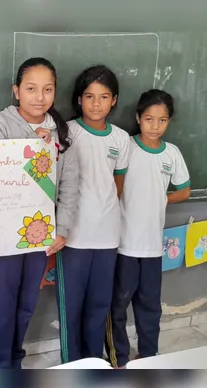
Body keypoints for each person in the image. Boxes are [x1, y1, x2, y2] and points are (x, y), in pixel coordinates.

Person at [0, 57, 79, 369]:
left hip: (39, 232)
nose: (40, 97)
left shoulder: (60, 131)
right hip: (3, 235)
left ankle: (15, 361)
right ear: (16, 91)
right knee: (3, 306)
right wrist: (33, 147)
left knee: (26, 304)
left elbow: (70, 184)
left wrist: (61, 227)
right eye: (31, 89)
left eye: (47, 89)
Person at [106, 89, 190, 368]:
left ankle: (149, 355)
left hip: (153, 246)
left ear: (169, 122)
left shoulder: (172, 154)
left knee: (150, 307)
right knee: (118, 304)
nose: (155, 126)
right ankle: (119, 356)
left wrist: (162, 198)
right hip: (123, 244)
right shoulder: (126, 146)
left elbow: (185, 190)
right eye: (149, 119)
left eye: (162, 120)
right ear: (138, 118)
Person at [55, 64, 130, 362]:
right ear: (78, 100)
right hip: (73, 235)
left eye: (103, 97)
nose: (96, 104)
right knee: (70, 306)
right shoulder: (67, 132)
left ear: (114, 100)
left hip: (108, 235)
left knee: (100, 305)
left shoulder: (121, 139)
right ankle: (72, 366)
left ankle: (93, 364)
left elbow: (118, 185)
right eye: (89, 96)